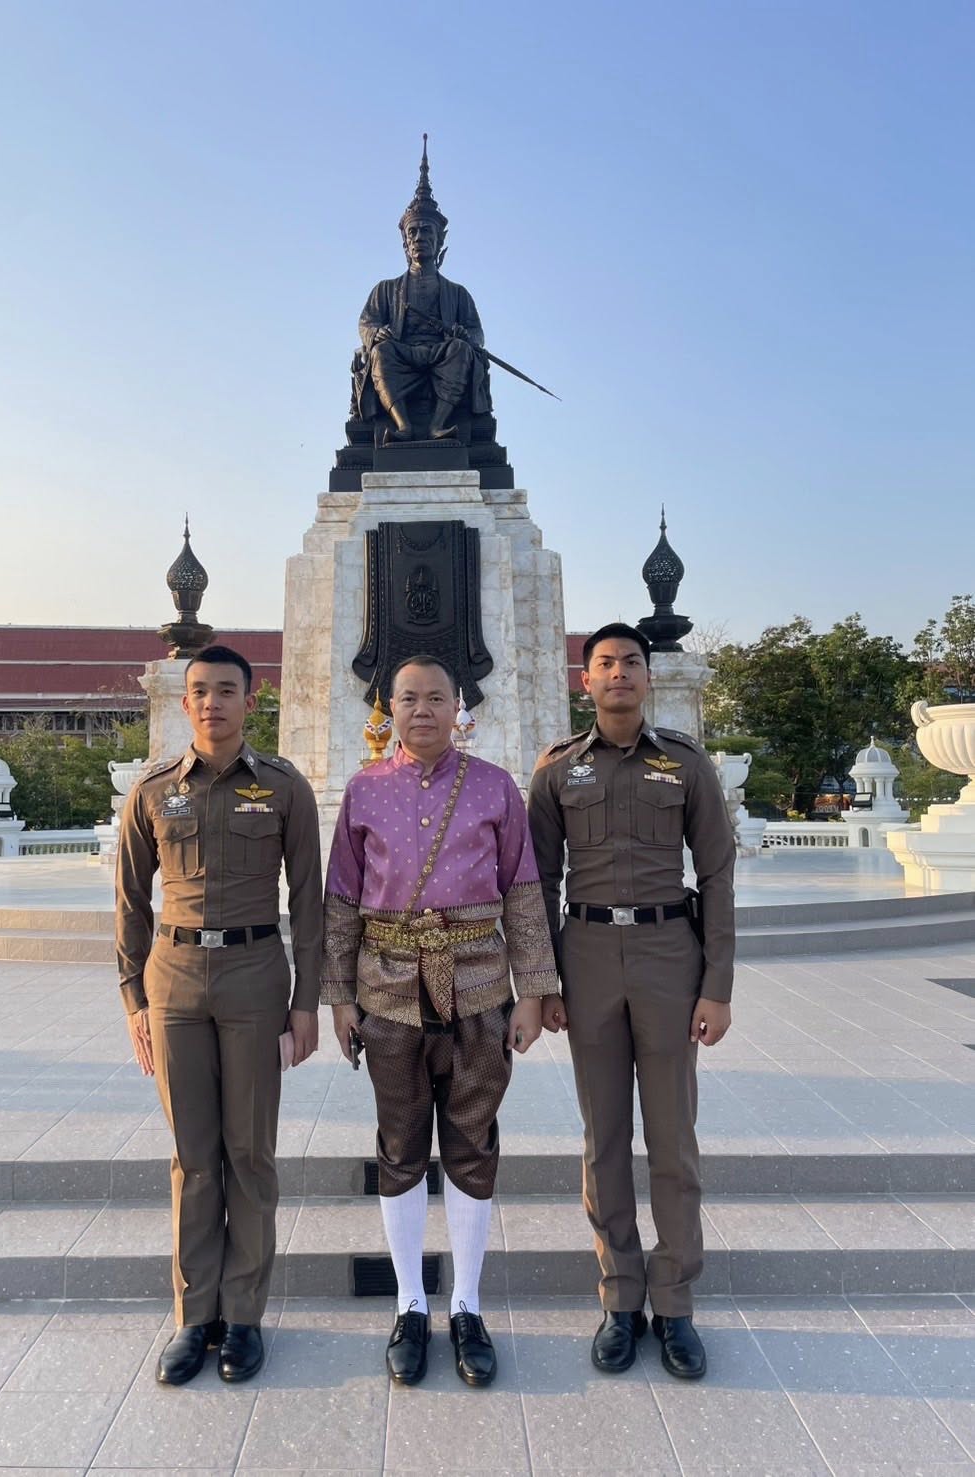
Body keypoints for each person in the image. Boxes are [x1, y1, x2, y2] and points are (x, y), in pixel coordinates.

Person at [321, 655, 555, 1387]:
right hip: (388, 992)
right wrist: (340, 997)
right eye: (407, 698)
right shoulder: (364, 790)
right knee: (400, 1146)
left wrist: (533, 992)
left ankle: (467, 1304)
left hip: (479, 990)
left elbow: (523, 892)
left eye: (435, 698)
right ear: (388, 709)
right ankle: (410, 1304)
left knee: (471, 1142)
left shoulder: (494, 787)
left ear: (459, 706)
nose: (421, 710)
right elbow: (340, 900)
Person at [527, 623, 735, 1381]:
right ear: (585, 680)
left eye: (631, 662)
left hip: (667, 954)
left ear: (647, 677)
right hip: (586, 955)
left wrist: (717, 985)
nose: (619, 672)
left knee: (673, 1138)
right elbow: (536, 882)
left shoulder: (685, 764)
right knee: (604, 1136)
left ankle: (674, 1302)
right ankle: (620, 1296)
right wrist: (543, 983)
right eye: (605, 663)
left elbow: (716, 873)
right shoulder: (557, 770)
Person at [116, 644, 322, 1386]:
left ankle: (242, 1317)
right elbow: (130, 903)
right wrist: (134, 998)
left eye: (226, 690)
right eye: (200, 690)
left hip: (255, 975)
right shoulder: (153, 791)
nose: (212, 702)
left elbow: (309, 901)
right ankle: (193, 1315)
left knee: (250, 1153)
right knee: (193, 1156)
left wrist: (307, 1001)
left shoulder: (283, 788)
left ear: (250, 700)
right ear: (185, 703)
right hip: (174, 979)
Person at [352, 137, 491, 443]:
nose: (419, 238)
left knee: (461, 350)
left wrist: (465, 336)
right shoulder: (385, 290)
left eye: (426, 231)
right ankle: (402, 425)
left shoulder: (458, 293)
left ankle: (438, 424)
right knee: (381, 352)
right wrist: (377, 333)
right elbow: (366, 323)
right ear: (405, 241)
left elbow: (477, 334)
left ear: (440, 239)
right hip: (402, 352)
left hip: (441, 353)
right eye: (412, 232)